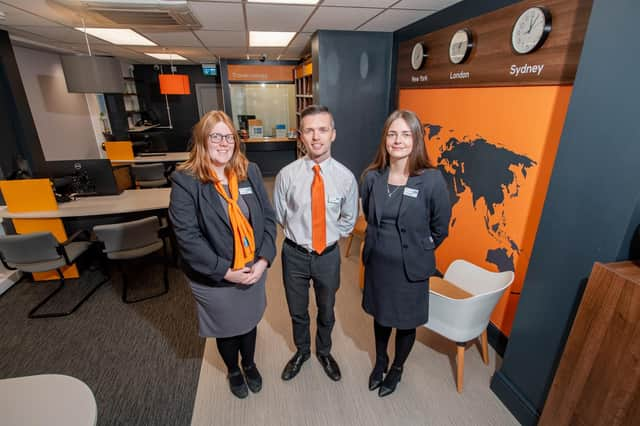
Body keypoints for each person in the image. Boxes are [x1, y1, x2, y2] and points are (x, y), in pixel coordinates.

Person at [169, 110, 276, 399]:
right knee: (228, 328)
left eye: (229, 136)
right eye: (216, 136)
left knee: (249, 321)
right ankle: (233, 369)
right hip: (215, 276)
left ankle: (250, 364)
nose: (223, 142)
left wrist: (263, 260)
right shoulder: (186, 180)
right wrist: (225, 271)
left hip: (252, 269)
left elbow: (267, 216)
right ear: (203, 140)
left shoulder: (248, 170)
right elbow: (188, 238)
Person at [360, 109, 451, 397]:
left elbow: (440, 228)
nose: (397, 140)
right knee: (381, 316)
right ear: (385, 139)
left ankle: (397, 368)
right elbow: (370, 218)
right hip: (377, 265)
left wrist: (418, 250)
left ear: (416, 139)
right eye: (392, 133)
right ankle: (381, 361)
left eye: (405, 134)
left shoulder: (432, 180)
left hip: (410, 270)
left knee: (406, 322)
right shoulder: (372, 177)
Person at [274, 105, 358, 382]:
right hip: (294, 254)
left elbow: (349, 219)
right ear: (301, 136)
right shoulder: (287, 175)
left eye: (322, 129)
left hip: (328, 256)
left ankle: (324, 351)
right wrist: (301, 237)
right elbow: (280, 216)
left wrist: (330, 235)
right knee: (297, 310)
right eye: (309, 130)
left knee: (326, 309)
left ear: (333, 134)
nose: (316, 137)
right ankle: (302, 352)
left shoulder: (346, 178)